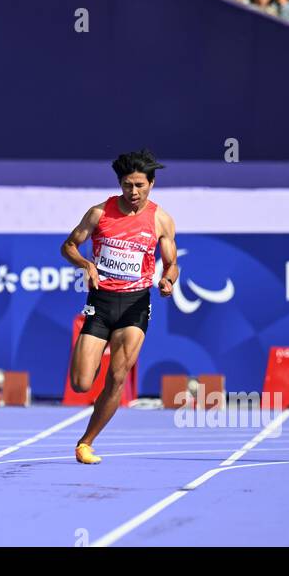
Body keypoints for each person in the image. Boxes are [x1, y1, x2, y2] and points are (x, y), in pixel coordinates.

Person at [61, 150, 177, 465]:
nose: (134, 192)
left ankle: (86, 442)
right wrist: (86, 264)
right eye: (128, 185)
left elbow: (171, 264)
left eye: (140, 185)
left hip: (135, 305)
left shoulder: (160, 219)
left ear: (151, 183)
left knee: (117, 376)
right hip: (101, 303)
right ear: (120, 184)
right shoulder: (99, 213)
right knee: (82, 382)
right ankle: (92, 361)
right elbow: (69, 245)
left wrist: (168, 281)